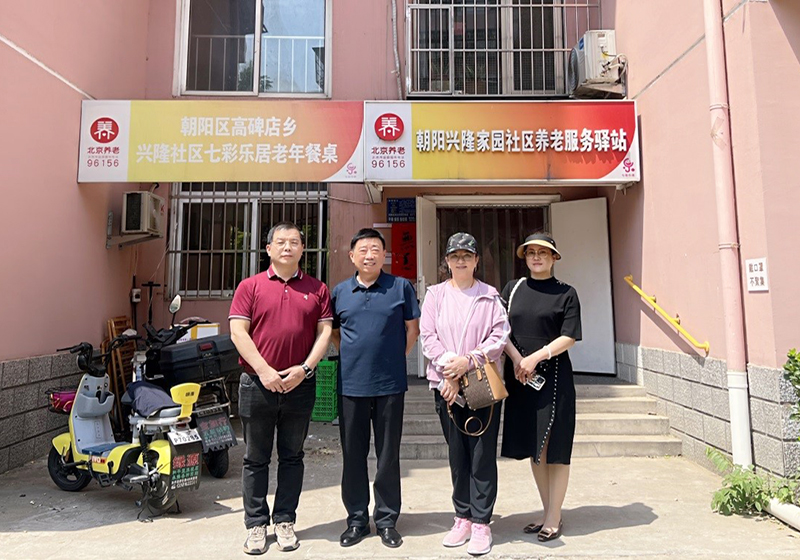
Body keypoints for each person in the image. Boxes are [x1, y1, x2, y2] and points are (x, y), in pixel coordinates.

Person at [229, 221, 333, 555]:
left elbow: (325, 334)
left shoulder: (317, 289)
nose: (287, 247)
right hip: (257, 385)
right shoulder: (250, 286)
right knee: (255, 458)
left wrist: (305, 369)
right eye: (281, 242)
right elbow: (238, 332)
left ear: (303, 249)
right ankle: (256, 524)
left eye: (294, 242)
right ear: (269, 249)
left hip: (299, 386)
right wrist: (264, 371)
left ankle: (285, 520)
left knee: (292, 457)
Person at [419, 232, 510, 556]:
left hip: (481, 383)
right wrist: (450, 370)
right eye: (455, 256)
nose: (461, 261)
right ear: (446, 261)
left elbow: (499, 336)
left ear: (476, 261)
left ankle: (482, 522)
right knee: (457, 454)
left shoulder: (489, 296)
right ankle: (462, 517)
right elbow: (428, 336)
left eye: (467, 256)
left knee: (482, 454)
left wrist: (467, 363)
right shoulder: (435, 295)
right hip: (446, 386)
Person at [330, 228, 421, 549]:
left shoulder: (400, 287)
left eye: (375, 249)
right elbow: (334, 333)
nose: (369, 255)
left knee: (388, 456)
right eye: (363, 250)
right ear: (352, 256)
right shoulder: (340, 292)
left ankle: (386, 520)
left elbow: (412, 329)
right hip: (351, 385)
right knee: (353, 455)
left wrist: (394, 358)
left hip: (390, 385)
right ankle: (356, 520)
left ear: (384, 255)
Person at [501, 232, 582, 542]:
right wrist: (518, 360)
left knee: (555, 448)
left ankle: (554, 516)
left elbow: (569, 336)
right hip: (521, 377)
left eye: (543, 252)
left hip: (554, 377)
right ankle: (549, 510)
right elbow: (500, 330)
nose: (536, 257)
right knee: (536, 448)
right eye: (531, 252)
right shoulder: (513, 289)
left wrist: (535, 357)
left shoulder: (566, 293)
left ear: (554, 258)